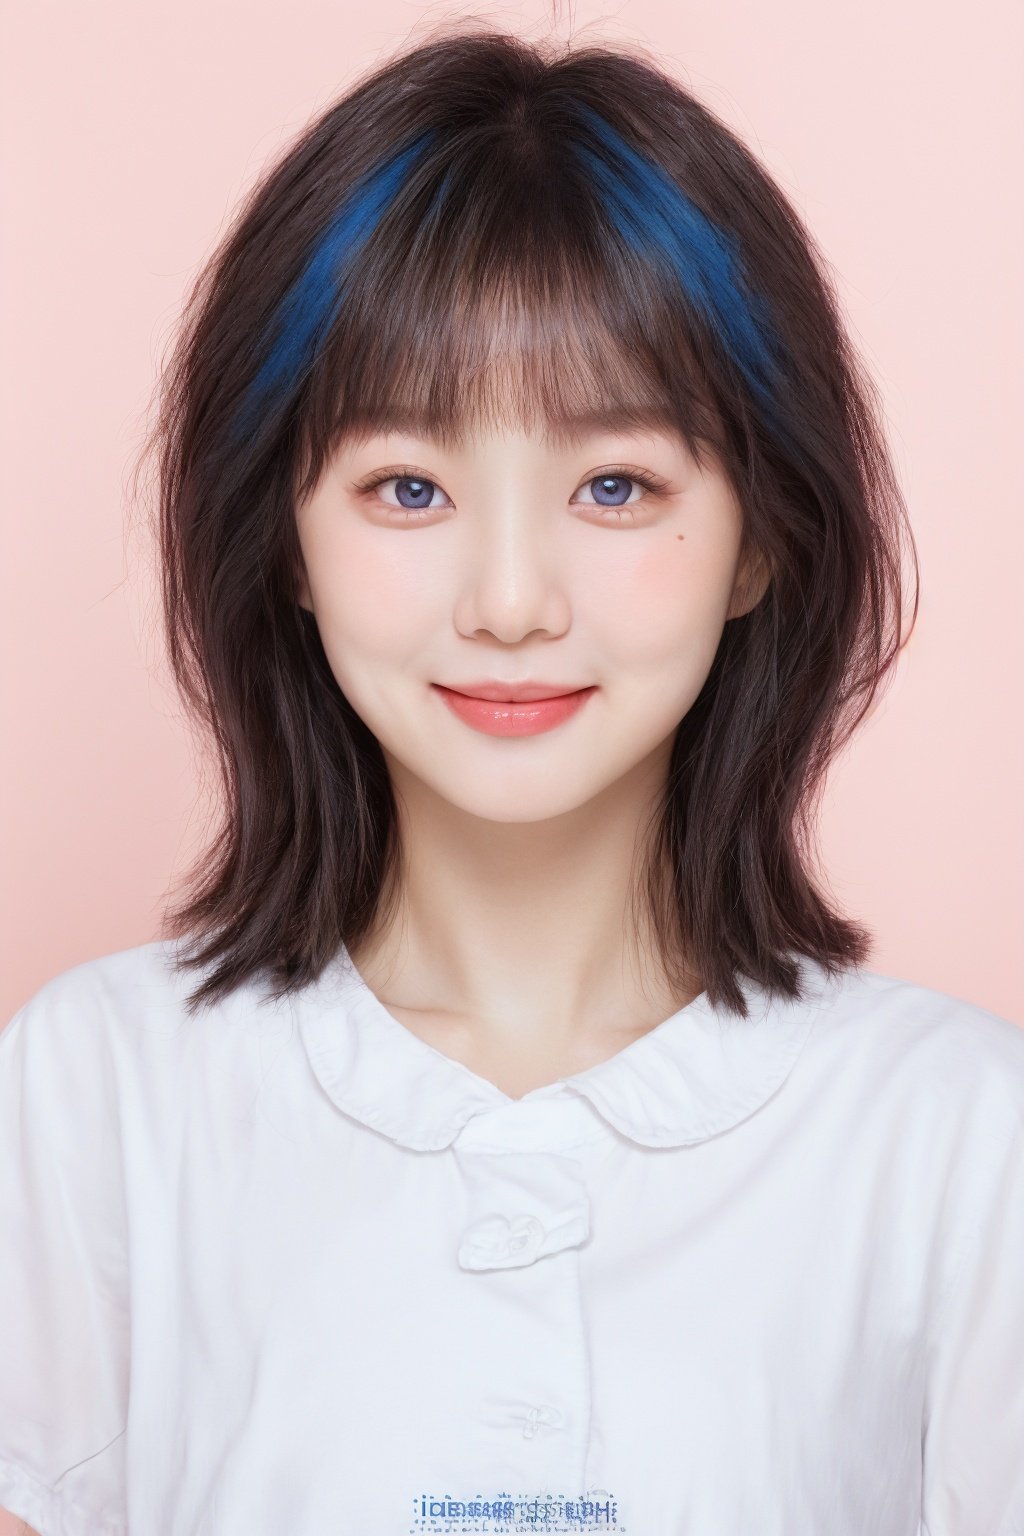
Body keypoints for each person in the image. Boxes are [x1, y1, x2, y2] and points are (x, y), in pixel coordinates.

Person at [1, 25, 1022, 1536]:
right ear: (281, 535)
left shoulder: (957, 1137)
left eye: (617, 486)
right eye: (406, 487)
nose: (509, 599)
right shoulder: (99, 1095)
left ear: (761, 537)